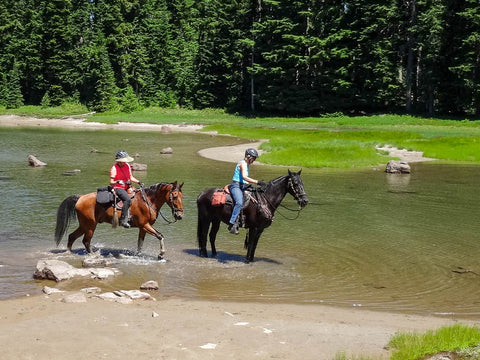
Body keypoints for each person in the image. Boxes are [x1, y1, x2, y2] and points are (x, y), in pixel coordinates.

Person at [228, 148, 266, 235]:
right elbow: (244, 177)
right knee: (239, 202)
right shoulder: (242, 164)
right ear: (249, 157)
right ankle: (232, 223)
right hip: (236, 186)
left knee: (254, 200)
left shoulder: (247, 165)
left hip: (242, 186)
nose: (254, 160)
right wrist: (258, 182)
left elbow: (245, 180)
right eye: (254, 158)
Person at [110, 150, 143, 228]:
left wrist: (139, 182)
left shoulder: (127, 166)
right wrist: (117, 181)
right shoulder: (114, 168)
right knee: (127, 200)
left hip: (127, 187)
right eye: (123, 161)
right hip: (118, 188)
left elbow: (130, 177)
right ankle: (123, 220)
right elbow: (111, 182)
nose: (124, 163)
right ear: (119, 161)